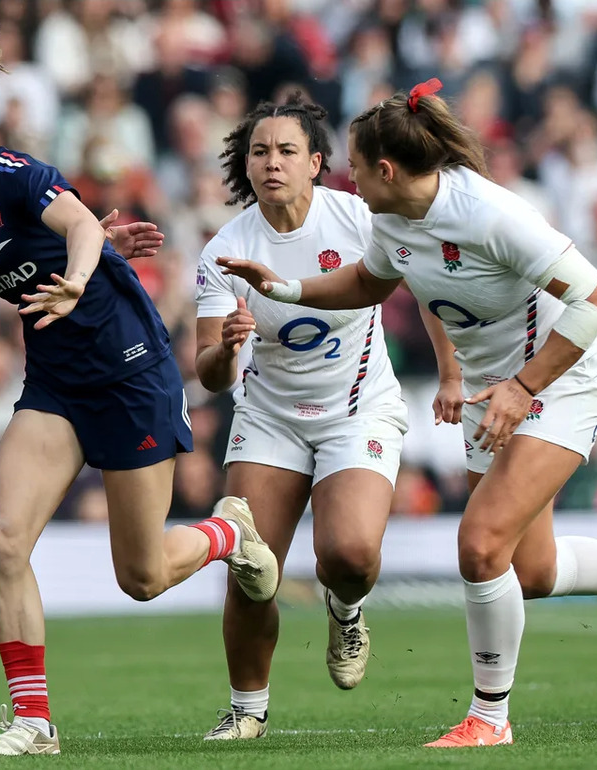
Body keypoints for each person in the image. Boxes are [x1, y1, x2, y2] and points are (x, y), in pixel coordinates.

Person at [217, 79, 597, 748]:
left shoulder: (488, 213)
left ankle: (489, 718)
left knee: (480, 547)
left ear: (386, 169)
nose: (349, 179)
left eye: (356, 167)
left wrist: (524, 387)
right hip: (494, 387)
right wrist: (284, 289)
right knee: (530, 571)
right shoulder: (393, 219)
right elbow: (368, 281)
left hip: (557, 380)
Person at [0, 22, 279, 756]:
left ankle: (228, 533)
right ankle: (34, 724)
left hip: (130, 371)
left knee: (143, 577)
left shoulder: (11, 172)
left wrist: (76, 279)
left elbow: (83, 228)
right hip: (56, 386)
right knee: (2, 540)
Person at [193, 94, 408, 740]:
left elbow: (421, 285)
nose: (271, 162)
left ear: (315, 163)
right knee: (250, 571)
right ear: (246, 164)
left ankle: (345, 609)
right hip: (270, 418)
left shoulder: (358, 218)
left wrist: (452, 375)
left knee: (349, 555)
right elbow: (209, 373)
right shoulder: (226, 250)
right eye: (259, 151)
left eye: (287, 150)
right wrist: (226, 347)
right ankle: (246, 711)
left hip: (358, 407)